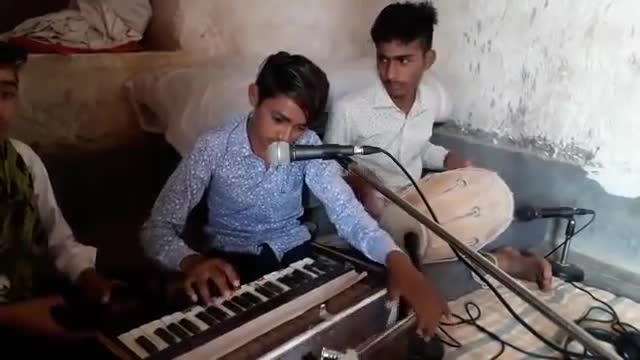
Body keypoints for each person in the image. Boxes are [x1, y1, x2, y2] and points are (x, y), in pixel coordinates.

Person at [141, 51, 450, 338]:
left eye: (299, 128)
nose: (286, 138)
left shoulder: (310, 147)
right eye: (278, 119)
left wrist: (401, 264)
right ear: (254, 97)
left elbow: (348, 214)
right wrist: (191, 262)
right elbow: (156, 229)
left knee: (355, 324)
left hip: (296, 259)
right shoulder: (213, 147)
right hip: (232, 268)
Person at [323, 1, 552, 300]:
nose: (390, 73)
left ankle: (494, 254)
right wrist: (360, 186)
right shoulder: (349, 110)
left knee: (494, 203)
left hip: (421, 201)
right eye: (383, 59)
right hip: (372, 217)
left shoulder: (429, 100)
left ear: (427, 59)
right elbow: (327, 169)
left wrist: (448, 159)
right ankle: (502, 262)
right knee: (413, 280)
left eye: (403, 60)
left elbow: (421, 147)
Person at [0, 42, 119, 353]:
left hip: (40, 311)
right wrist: (11, 317)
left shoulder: (23, 162)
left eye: (5, 94)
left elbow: (58, 239)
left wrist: (88, 277)